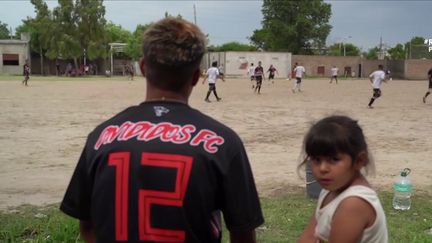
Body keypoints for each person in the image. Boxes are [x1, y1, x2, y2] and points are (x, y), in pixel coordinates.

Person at [60, 17, 264, 243]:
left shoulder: (100, 137)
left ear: (143, 67)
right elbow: (243, 232)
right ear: (196, 76)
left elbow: (87, 226)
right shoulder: (224, 142)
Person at [297, 115, 388, 243]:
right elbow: (309, 236)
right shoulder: (331, 190)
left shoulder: (354, 203)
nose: (323, 168)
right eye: (316, 160)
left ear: (359, 160)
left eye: (334, 159)